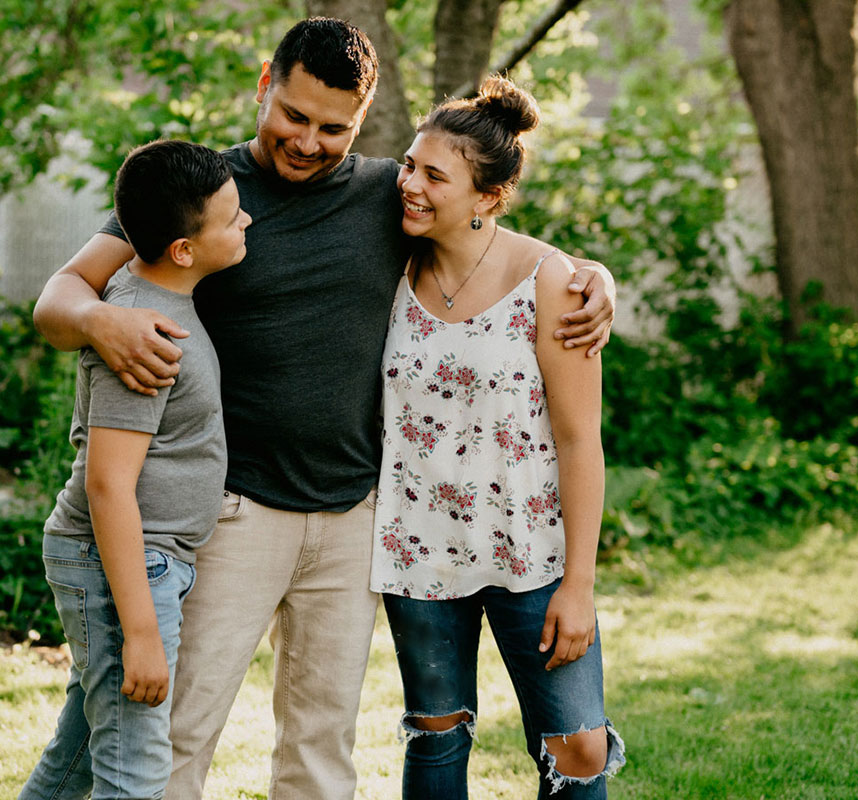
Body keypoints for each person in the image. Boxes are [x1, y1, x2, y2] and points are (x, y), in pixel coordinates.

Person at [31, 17, 615, 800]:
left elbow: (489, 238)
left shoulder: (388, 196)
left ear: (362, 121)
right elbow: (58, 297)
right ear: (265, 84)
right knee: (175, 733)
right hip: (235, 514)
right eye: (294, 116)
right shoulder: (206, 196)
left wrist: (592, 275)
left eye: (332, 127)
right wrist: (102, 319)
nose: (307, 140)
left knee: (320, 750)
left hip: (354, 522)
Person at [372, 76, 624, 799]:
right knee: (437, 739)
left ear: (487, 197)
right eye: (410, 165)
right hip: (418, 550)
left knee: (576, 746)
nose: (409, 185)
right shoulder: (391, 263)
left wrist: (579, 583)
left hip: (533, 555)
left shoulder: (552, 283)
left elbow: (580, 441)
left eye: (433, 176)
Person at [20, 140, 252, 800]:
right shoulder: (143, 336)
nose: (247, 223)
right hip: (124, 563)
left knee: (82, 756)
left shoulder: (154, 300)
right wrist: (142, 633)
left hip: (142, 560)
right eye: (232, 217)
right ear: (183, 249)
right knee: (135, 769)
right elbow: (107, 483)